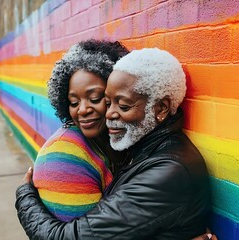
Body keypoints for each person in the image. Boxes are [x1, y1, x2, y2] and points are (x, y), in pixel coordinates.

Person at [16, 48, 212, 239]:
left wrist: (25, 197)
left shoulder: (167, 173)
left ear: (161, 108)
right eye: (108, 102)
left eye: (124, 106)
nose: (109, 114)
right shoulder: (140, 149)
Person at [32, 39, 129, 222]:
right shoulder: (63, 155)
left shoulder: (115, 139)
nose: (82, 109)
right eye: (74, 103)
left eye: (94, 98)